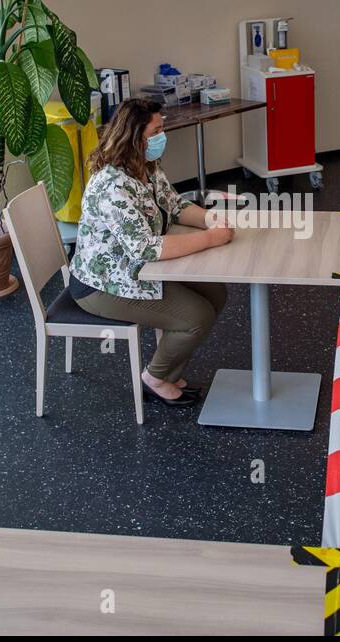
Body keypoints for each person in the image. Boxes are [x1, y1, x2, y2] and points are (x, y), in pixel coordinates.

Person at [69, 97, 232, 408]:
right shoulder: (112, 186)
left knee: (215, 294)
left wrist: (210, 219)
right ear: (135, 136)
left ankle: (169, 373)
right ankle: (154, 378)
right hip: (104, 285)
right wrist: (211, 239)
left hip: (138, 271)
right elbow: (146, 248)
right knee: (197, 316)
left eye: (162, 128)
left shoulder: (145, 166)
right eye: (156, 130)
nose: (163, 136)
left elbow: (176, 205)